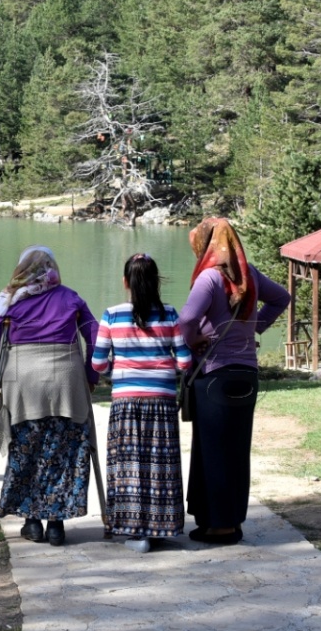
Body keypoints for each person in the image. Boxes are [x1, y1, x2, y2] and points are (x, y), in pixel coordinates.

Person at [177, 218, 291, 546]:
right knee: (237, 450)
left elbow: (186, 319)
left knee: (211, 450)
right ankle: (232, 521)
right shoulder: (249, 274)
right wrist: (254, 327)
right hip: (247, 374)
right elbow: (281, 298)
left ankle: (219, 527)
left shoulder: (210, 277)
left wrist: (194, 339)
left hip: (214, 374)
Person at [0, 246, 99, 547]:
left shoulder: (8, 298)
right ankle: (56, 524)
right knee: (64, 450)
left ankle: (32, 522)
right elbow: (95, 335)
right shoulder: (71, 297)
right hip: (67, 382)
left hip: (23, 382)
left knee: (27, 449)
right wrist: (91, 375)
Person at [90, 253, 192, 552]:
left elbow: (97, 363)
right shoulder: (170, 314)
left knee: (129, 464)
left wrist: (117, 373)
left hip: (126, 402)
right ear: (156, 281)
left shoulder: (111, 315)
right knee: (160, 464)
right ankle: (160, 527)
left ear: (126, 282)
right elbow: (185, 362)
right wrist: (163, 368)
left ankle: (136, 533)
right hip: (161, 402)